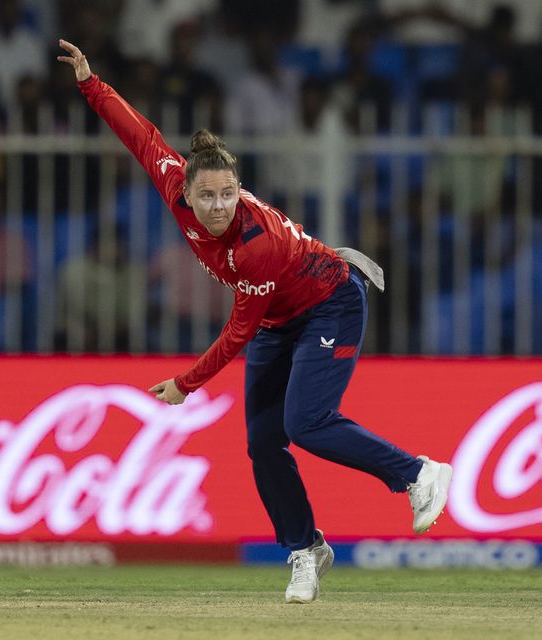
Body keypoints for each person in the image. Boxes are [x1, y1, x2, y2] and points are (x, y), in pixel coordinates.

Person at [57, 39, 452, 604]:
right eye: (207, 196)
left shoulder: (255, 247)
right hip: (281, 319)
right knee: (263, 444)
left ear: (237, 191)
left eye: (227, 194)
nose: (218, 206)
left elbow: (238, 333)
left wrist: (185, 385)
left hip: (331, 301)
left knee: (306, 423)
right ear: (184, 192)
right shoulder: (174, 181)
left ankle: (417, 474)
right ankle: (305, 550)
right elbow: (140, 134)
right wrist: (90, 83)